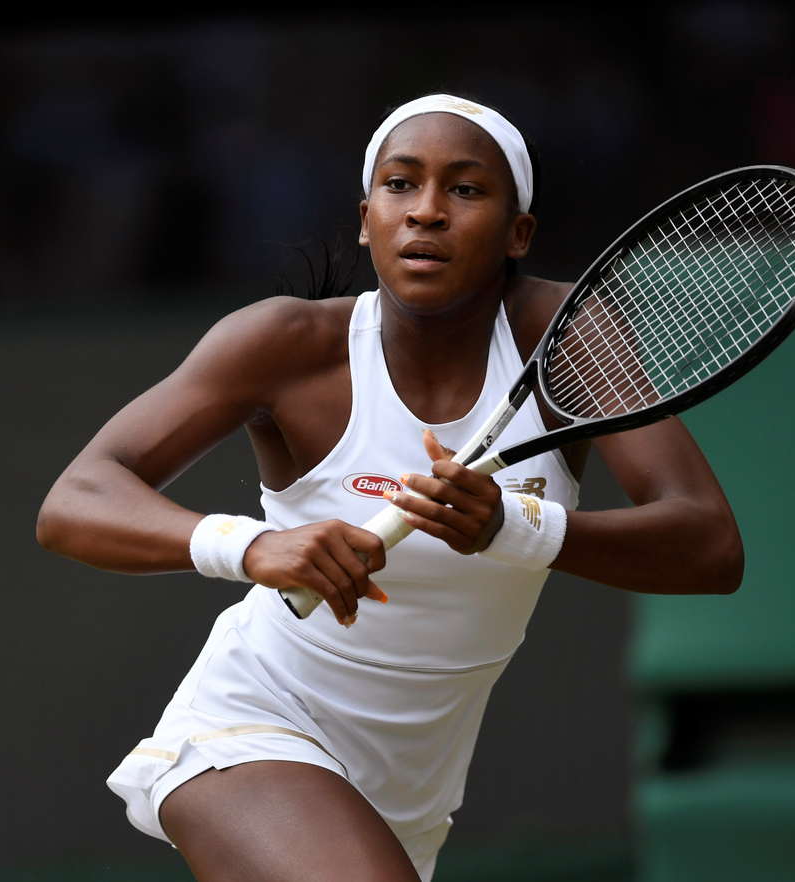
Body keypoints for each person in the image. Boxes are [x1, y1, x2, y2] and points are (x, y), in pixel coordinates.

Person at [36, 93, 744, 881]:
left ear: (519, 234)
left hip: (409, 804)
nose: (427, 211)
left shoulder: (565, 335)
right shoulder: (284, 342)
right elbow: (75, 501)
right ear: (367, 219)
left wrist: (514, 527)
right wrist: (255, 546)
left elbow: (709, 546)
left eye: (465, 189)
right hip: (251, 729)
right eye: (400, 184)